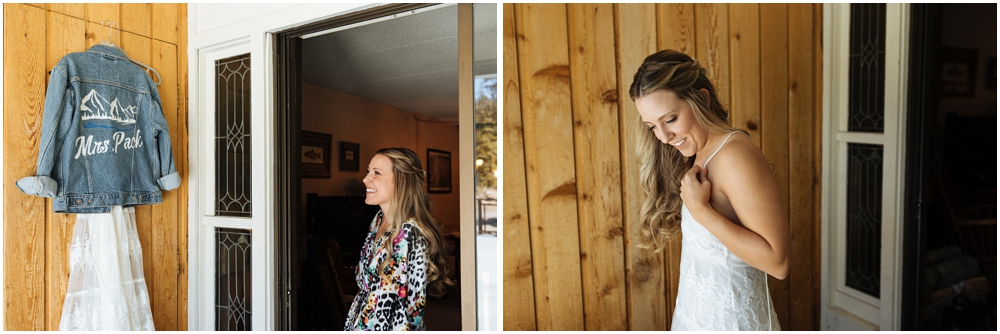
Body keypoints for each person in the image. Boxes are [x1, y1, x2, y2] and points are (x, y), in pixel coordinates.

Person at [630, 49, 791, 330]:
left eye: (670, 119)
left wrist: (702, 212)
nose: (664, 137)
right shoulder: (700, 153)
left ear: (702, 99)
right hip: (697, 317)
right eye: (652, 126)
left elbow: (778, 263)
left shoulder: (734, 156)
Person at [344, 147, 453, 331]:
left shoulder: (411, 232)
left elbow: (413, 311)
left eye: (376, 173)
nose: (366, 179)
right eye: (368, 171)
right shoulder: (378, 220)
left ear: (401, 181)